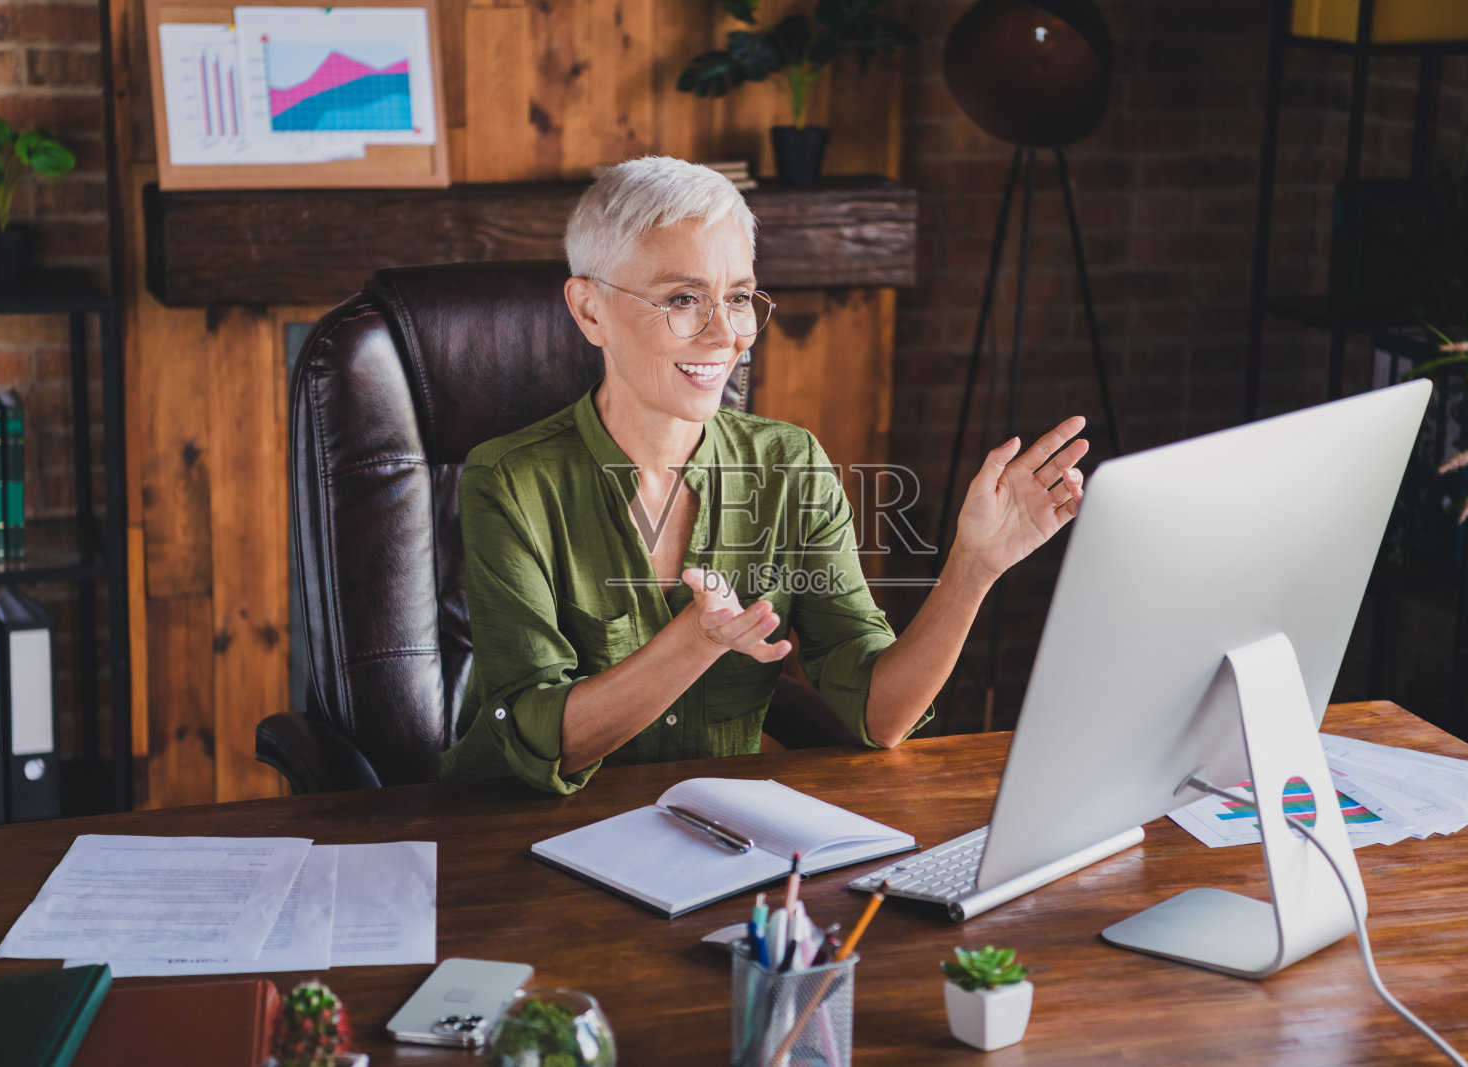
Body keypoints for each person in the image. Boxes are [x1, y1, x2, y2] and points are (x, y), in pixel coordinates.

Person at [439, 156, 1087, 792]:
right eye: (683, 298)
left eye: (741, 297)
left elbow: (880, 716)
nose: (727, 334)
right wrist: (694, 640)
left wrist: (973, 566)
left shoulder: (790, 463)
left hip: (706, 844)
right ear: (589, 310)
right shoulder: (509, 480)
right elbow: (537, 737)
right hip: (512, 843)